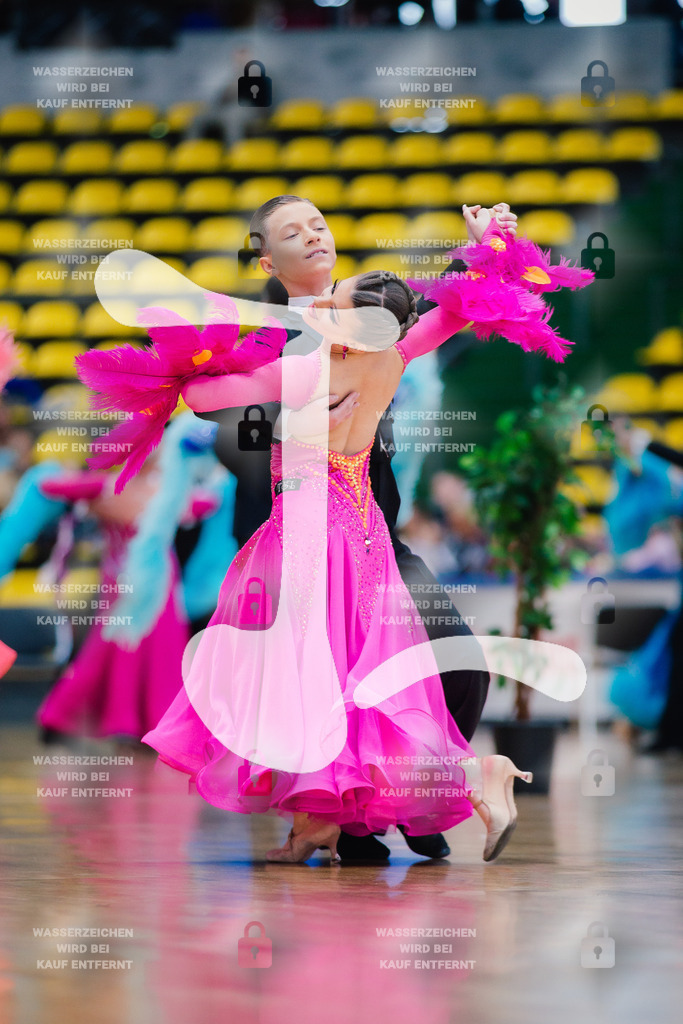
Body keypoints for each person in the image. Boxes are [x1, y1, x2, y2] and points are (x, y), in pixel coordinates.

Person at [141, 264, 534, 864]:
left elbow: (200, 396)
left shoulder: (303, 370)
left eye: (334, 301)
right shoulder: (395, 357)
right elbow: (455, 313)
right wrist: (489, 251)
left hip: (308, 542)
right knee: (349, 684)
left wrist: (206, 353)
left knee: (309, 681)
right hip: (365, 538)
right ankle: (335, 814)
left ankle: (366, 804)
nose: (320, 300)